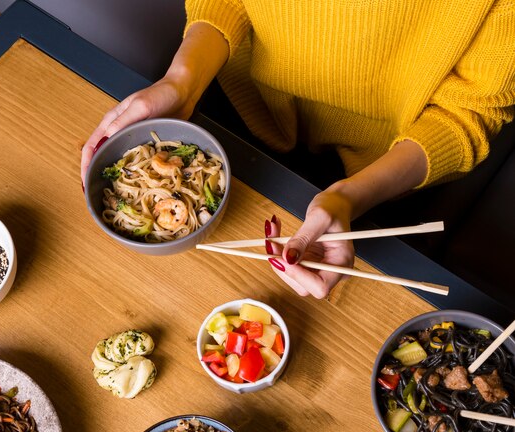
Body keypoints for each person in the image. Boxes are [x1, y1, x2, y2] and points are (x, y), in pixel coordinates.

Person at [81, 1, 515, 299]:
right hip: (237, 101)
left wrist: (349, 196)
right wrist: (182, 82)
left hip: (387, 168)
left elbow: (469, 114)